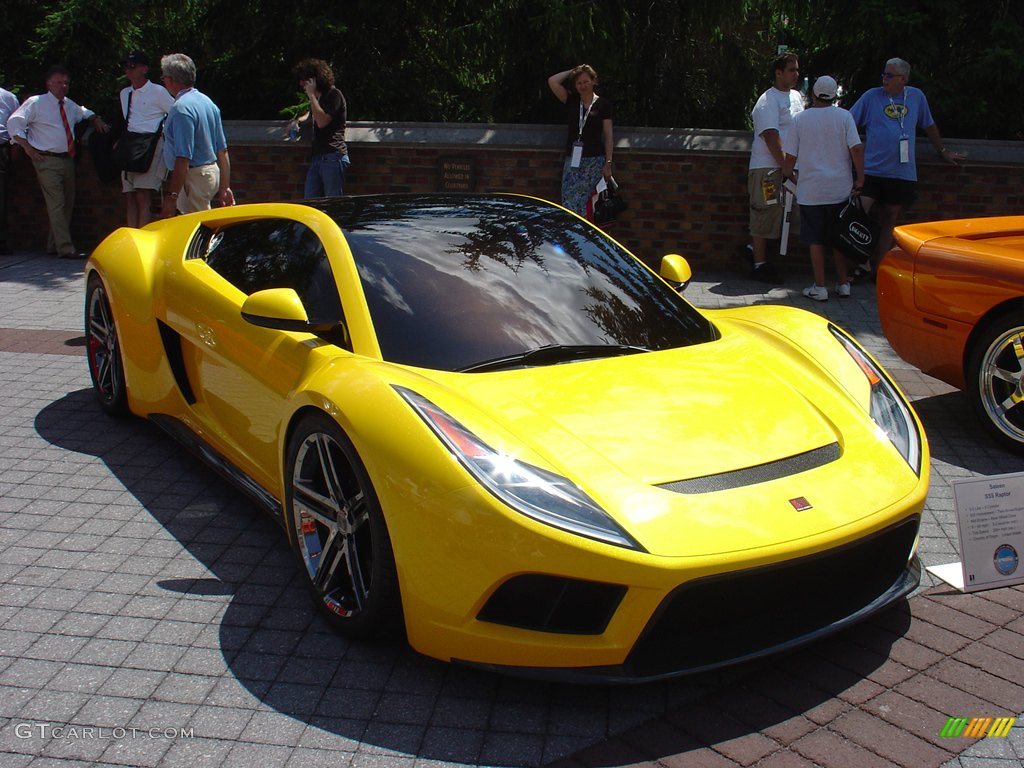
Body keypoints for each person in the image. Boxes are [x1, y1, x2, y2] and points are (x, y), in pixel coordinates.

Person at [848, 57, 964, 280]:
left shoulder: (916, 97)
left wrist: (942, 151)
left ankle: (880, 265)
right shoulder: (872, 97)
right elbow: (848, 121)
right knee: (860, 214)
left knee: (891, 217)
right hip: (872, 170)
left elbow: (928, 125)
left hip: (901, 172)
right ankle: (861, 263)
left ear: (902, 79)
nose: (884, 79)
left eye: (889, 75)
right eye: (883, 74)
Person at [7, 66, 110, 258]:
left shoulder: (68, 104)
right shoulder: (36, 103)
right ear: (48, 84)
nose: (63, 86)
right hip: (46, 158)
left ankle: (53, 245)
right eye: (59, 82)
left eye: (66, 83)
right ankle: (65, 247)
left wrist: (95, 118)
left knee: (67, 202)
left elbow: (83, 112)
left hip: (67, 158)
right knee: (56, 203)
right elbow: (14, 123)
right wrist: (27, 147)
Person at [782, 76, 864, 302]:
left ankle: (820, 286)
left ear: (814, 95)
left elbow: (790, 157)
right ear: (834, 95)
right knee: (839, 238)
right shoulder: (844, 117)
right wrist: (861, 179)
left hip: (811, 190)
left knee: (815, 239)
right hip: (839, 188)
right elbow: (856, 150)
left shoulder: (800, 120)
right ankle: (843, 282)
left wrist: (787, 174)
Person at [742, 52, 804, 284]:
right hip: (768, 168)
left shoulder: (797, 97)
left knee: (781, 215)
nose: (796, 74)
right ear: (778, 73)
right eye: (791, 70)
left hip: (788, 166)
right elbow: (771, 136)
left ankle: (752, 251)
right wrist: (786, 166)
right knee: (764, 211)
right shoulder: (767, 101)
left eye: (797, 70)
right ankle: (759, 264)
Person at [159, 53, 234, 217]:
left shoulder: (181, 109)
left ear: (171, 80)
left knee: (196, 229)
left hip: (194, 176)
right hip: (210, 173)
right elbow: (223, 150)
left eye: (163, 77)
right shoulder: (207, 102)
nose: (163, 81)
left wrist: (172, 197)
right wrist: (225, 187)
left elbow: (183, 157)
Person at [547, 64, 614, 217]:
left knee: (586, 202)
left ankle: (585, 234)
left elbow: (608, 135)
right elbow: (552, 81)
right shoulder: (571, 100)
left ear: (593, 81)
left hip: (594, 160)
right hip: (573, 159)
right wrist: (574, 71)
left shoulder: (603, 105)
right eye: (579, 83)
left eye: (586, 81)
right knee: (568, 201)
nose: (583, 86)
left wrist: (608, 163)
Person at [118, 52, 175, 227]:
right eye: (126, 66)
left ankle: (142, 236)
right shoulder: (125, 93)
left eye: (133, 66)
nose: (129, 70)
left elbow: (175, 113)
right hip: (130, 147)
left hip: (150, 146)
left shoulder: (157, 91)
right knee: (129, 196)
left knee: (143, 196)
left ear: (144, 69)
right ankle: (132, 238)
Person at [291, 58, 349, 198]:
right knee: (310, 202)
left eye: (304, 80)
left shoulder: (334, 95)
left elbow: (322, 121)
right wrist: (297, 121)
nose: (301, 84)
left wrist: (311, 96)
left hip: (333, 156)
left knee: (332, 203)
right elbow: (312, 116)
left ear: (315, 79)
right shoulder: (319, 98)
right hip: (317, 157)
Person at [0, 85, 19, 254]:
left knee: (1, 197)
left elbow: (15, 125)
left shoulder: (8, 98)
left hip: (1, 149)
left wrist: (14, 146)